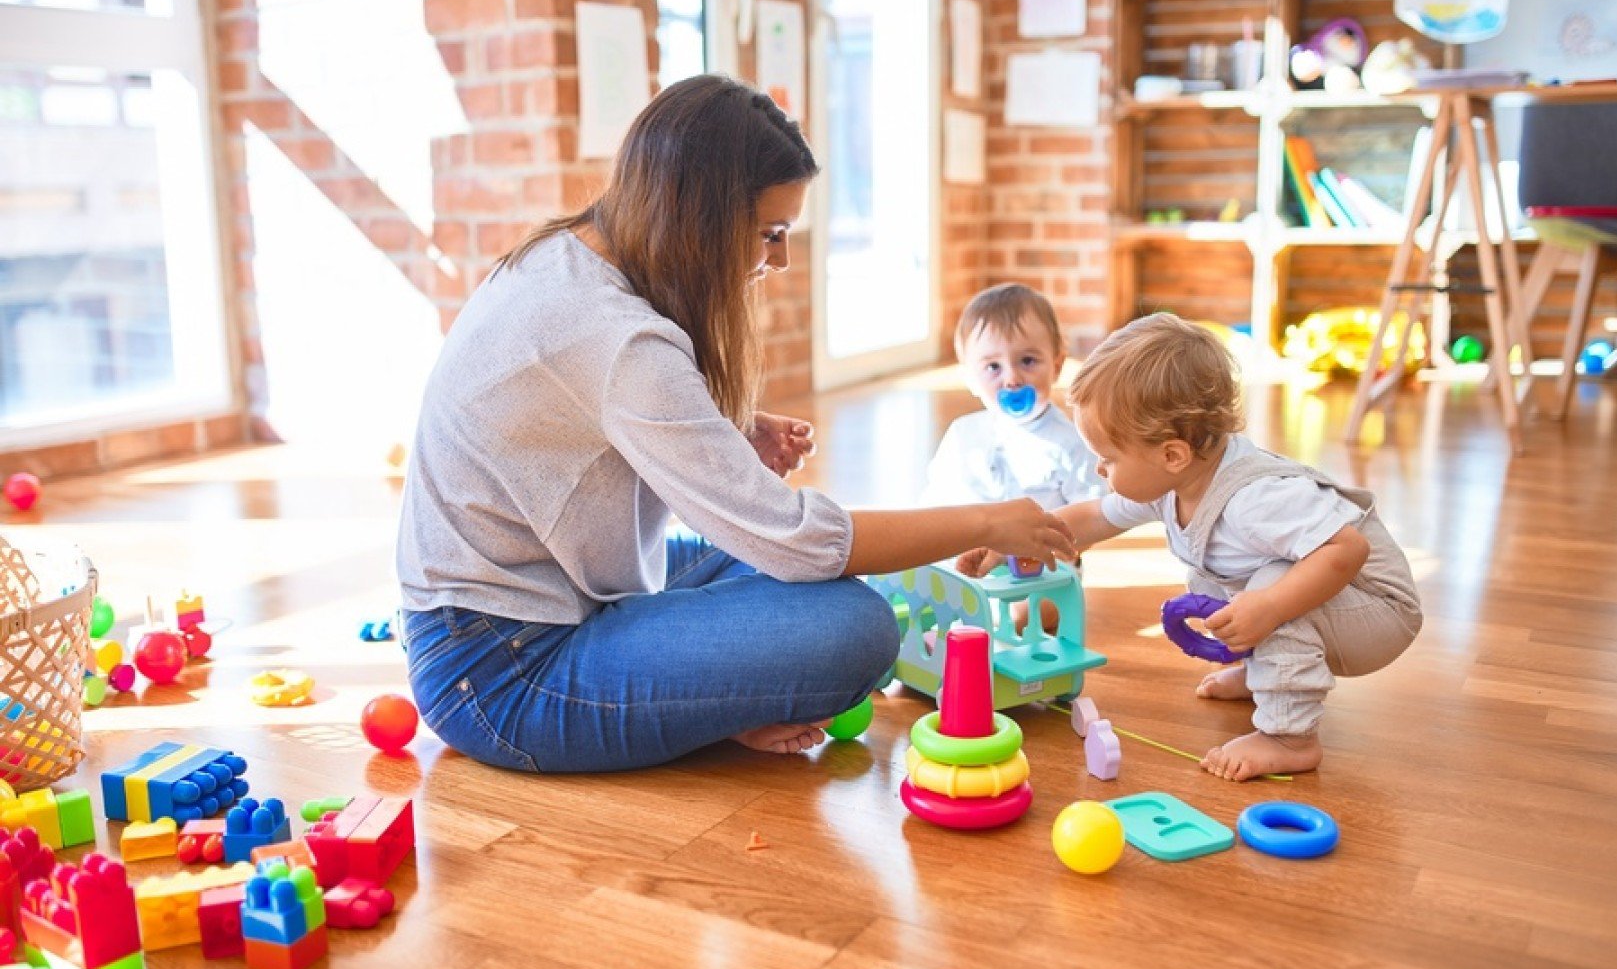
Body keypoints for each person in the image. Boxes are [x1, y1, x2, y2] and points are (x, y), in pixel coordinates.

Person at [396, 75, 1075, 774]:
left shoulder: (563, 257)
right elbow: (800, 543)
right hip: (503, 671)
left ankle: (699, 699)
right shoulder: (624, 340)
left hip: (518, 603)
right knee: (857, 627)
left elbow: (578, 423)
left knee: (795, 580)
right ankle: (700, 706)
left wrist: (723, 434)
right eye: (770, 233)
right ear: (702, 219)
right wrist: (989, 522)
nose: (776, 259)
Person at [959, 313, 1422, 780]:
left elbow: (1347, 550)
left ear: (1173, 454)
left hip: (1377, 608)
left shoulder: (1254, 499)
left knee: (1268, 586)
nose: (1100, 470)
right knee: (1233, 574)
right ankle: (1266, 671)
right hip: (1334, 596)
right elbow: (1096, 516)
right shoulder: (1177, 477)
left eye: (1109, 458)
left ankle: (1290, 737)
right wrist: (1014, 540)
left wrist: (1270, 607)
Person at [921, 283, 1101, 511]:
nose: (1012, 379)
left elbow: (1090, 515)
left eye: (1027, 361)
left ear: (1056, 366)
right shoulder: (961, 435)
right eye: (993, 366)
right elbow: (936, 501)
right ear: (969, 377)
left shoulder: (1072, 443)